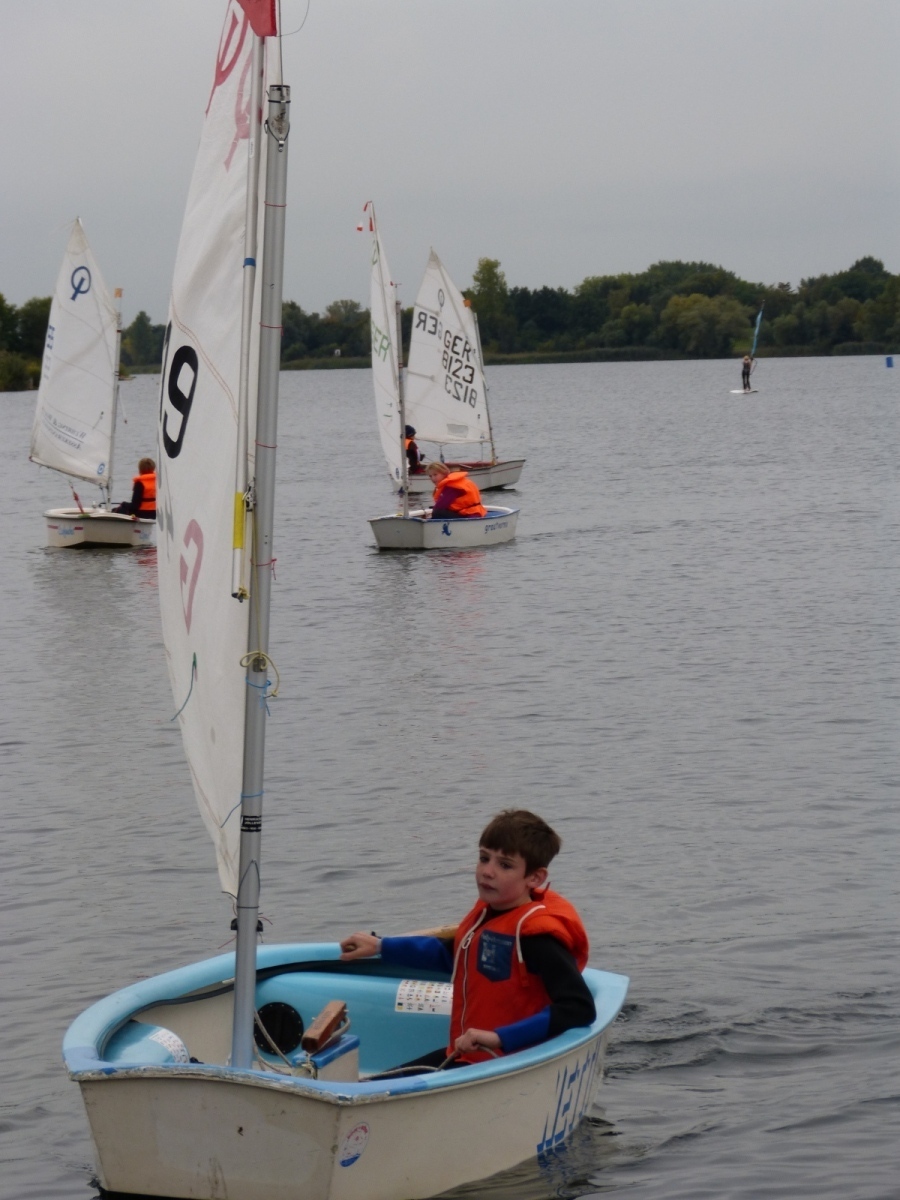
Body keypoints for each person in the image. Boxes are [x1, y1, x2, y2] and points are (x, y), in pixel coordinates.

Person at [340, 809, 596, 1068]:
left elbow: (579, 1008)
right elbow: (452, 954)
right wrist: (380, 946)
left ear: (535, 878)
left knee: (384, 1087)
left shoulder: (536, 938)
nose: (487, 871)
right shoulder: (487, 914)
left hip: (503, 1064)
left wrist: (499, 1037)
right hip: (466, 1054)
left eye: (505, 865)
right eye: (484, 858)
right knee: (378, 1082)